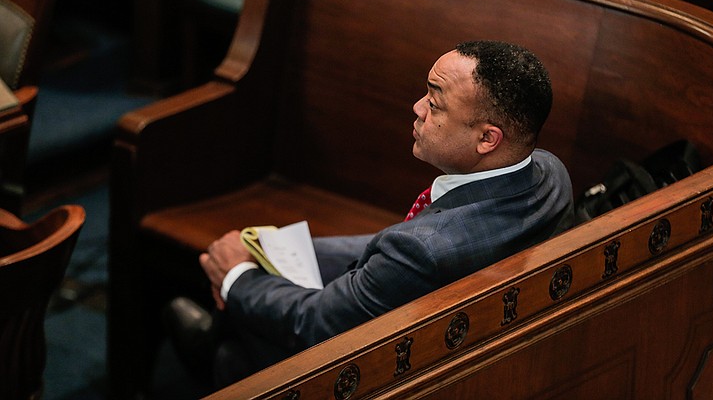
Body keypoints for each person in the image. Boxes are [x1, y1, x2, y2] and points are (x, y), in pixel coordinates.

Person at [166, 40, 574, 387]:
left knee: (241, 333)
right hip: (481, 340)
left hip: (404, 373)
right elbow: (404, 246)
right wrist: (279, 251)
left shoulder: (424, 250)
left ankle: (215, 362)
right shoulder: (549, 173)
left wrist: (237, 275)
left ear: (487, 138)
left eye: (434, 103)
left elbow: (316, 324)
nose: (416, 108)